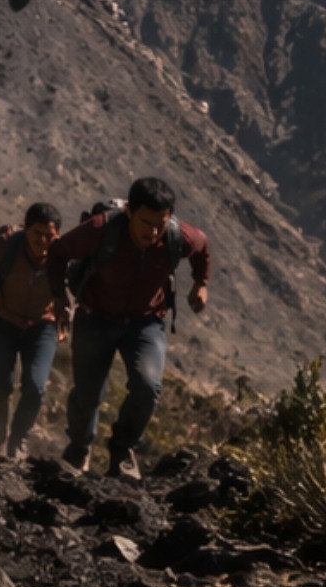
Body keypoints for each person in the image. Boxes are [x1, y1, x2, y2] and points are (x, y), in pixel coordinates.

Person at [48, 176, 211, 480]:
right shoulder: (102, 229)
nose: (153, 232)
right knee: (87, 395)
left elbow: (202, 247)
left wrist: (201, 284)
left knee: (147, 387)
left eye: (160, 224)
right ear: (129, 212)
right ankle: (79, 447)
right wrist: (59, 299)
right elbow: (58, 252)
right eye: (145, 222)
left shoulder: (179, 236)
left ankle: (122, 450)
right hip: (95, 317)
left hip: (145, 323)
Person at [0, 201, 62, 459]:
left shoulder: (63, 256)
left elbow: (78, 286)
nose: (42, 241)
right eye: (36, 234)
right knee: (1, 383)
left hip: (41, 327)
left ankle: (19, 437)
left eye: (49, 236)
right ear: (26, 228)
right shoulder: (7, 245)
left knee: (35, 386)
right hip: (3, 320)